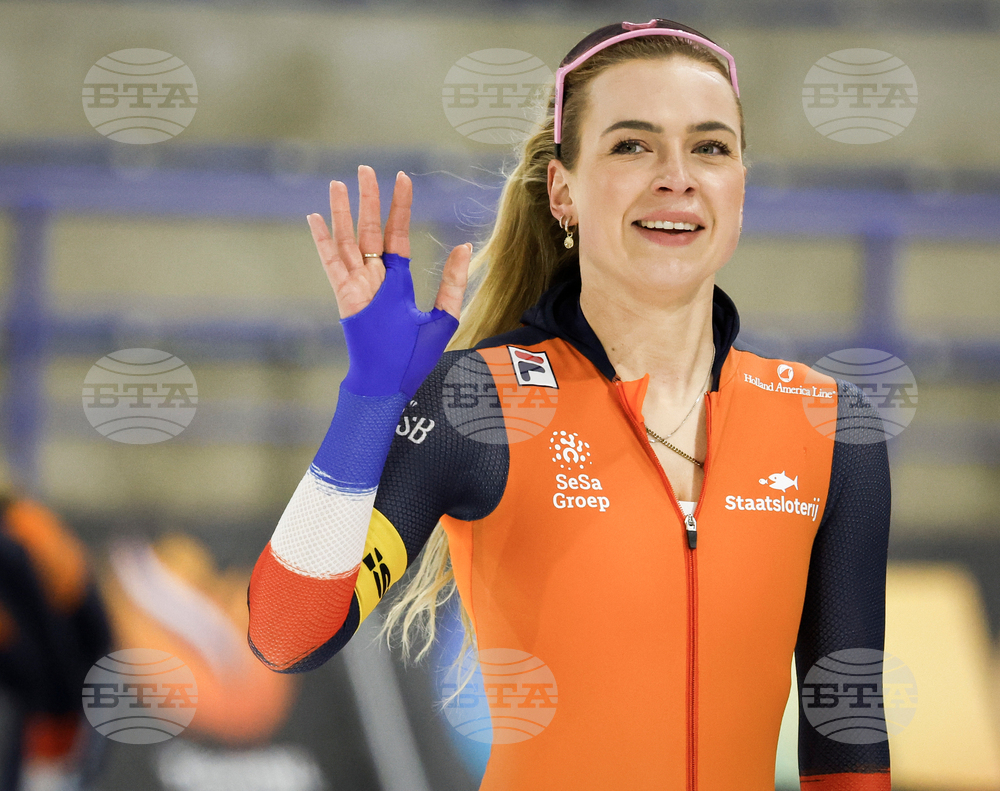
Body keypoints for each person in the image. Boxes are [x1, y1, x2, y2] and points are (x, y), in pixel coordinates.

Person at [248, 18, 892, 790]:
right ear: (563, 191)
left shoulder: (828, 424)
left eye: (710, 147)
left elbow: (846, 739)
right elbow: (286, 634)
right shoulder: (478, 402)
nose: (677, 176)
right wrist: (369, 400)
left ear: (741, 185)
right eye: (632, 145)